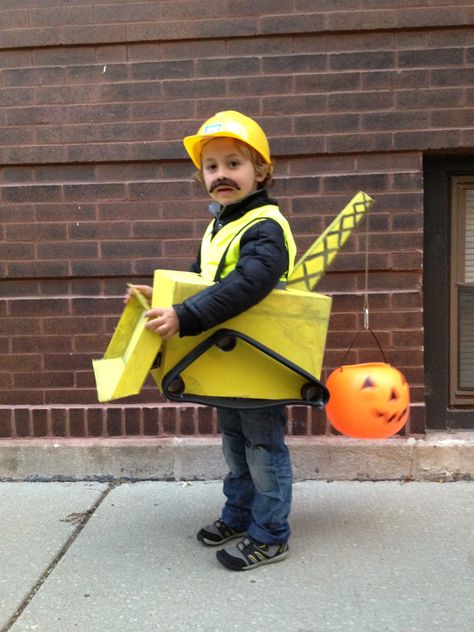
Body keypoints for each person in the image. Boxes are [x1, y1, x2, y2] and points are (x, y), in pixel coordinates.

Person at [126, 111, 297, 571]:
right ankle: (240, 515)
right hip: (229, 355)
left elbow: (248, 284)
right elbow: (206, 283)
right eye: (212, 166)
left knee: (263, 449)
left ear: (261, 171)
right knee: (235, 445)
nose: (221, 174)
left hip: (262, 359)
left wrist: (187, 315)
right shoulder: (222, 225)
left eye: (234, 163)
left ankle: (271, 534)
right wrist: (163, 298)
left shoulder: (265, 226)